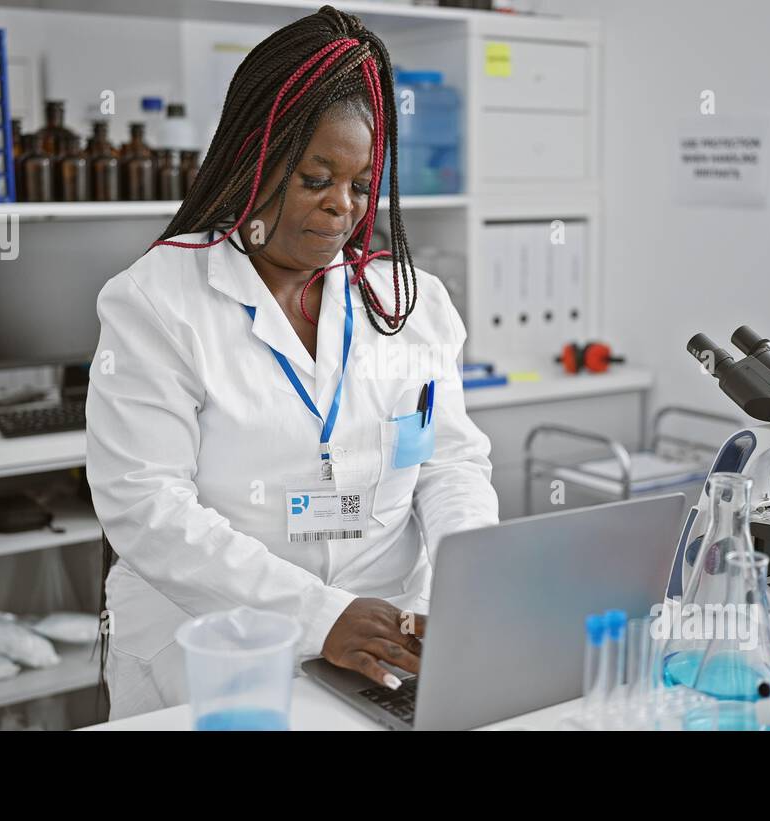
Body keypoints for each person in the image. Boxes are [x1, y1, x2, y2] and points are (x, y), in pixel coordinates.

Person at [85, 5, 498, 719]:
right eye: (316, 178)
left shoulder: (409, 304)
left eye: (362, 185)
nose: (342, 206)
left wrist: (464, 585)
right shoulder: (156, 302)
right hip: (214, 647)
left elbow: (447, 462)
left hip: (384, 644)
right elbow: (147, 506)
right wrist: (319, 613)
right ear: (257, 159)